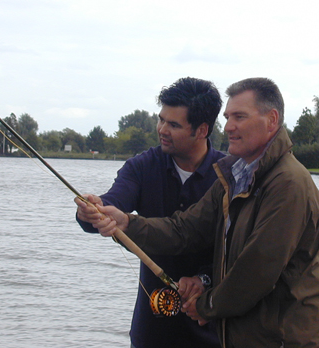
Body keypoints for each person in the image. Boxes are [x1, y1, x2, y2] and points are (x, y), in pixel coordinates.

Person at [91, 77, 319, 348]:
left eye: (239, 117)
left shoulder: (288, 183)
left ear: (272, 120)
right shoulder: (234, 176)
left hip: (285, 339)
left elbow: (256, 271)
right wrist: (126, 223)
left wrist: (204, 305)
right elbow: (185, 229)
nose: (228, 127)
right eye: (228, 117)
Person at [75, 77, 224, 348]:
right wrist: (92, 210)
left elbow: (242, 252)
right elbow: (114, 202)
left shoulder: (228, 174)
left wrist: (204, 278)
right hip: (151, 333)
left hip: (215, 332)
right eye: (161, 120)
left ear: (202, 130)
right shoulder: (142, 166)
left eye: (174, 124)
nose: (162, 130)